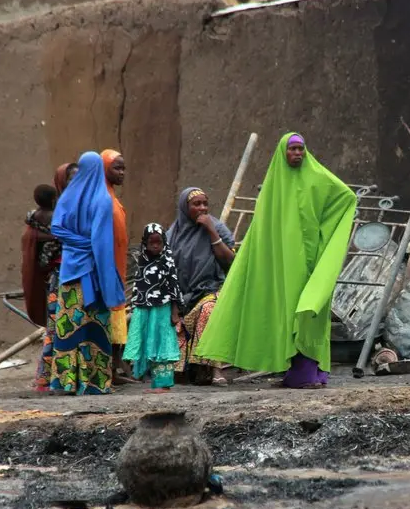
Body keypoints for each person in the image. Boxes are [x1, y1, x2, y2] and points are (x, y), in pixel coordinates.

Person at [194, 133, 356, 389]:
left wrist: (324, 235)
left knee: (308, 312)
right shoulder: (273, 185)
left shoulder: (317, 176)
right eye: (292, 149)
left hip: (311, 260)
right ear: (283, 152)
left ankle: (309, 374)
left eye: (301, 149)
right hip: (284, 263)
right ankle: (300, 373)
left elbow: (346, 197)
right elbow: (264, 227)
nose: (297, 154)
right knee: (286, 312)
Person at [48, 151, 125, 395]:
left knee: (69, 326)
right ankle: (95, 382)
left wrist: (76, 244)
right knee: (95, 328)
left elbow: (57, 228)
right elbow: (101, 245)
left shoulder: (68, 197)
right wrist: (109, 281)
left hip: (70, 274)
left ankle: (66, 381)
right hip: (92, 275)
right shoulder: (101, 199)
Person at [167, 187, 236, 386]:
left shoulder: (217, 228)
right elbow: (168, 272)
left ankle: (216, 369)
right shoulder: (173, 235)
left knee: (208, 310)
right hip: (182, 297)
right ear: (185, 207)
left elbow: (231, 263)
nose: (202, 208)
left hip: (211, 289)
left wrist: (211, 231)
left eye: (205, 203)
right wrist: (173, 305)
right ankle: (192, 370)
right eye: (196, 204)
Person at [123, 223, 183, 393]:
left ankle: (164, 384)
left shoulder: (167, 261)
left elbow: (174, 287)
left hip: (162, 309)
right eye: (152, 243)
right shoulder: (142, 261)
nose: (156, 246)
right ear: (145, 243)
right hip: (144, 309)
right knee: (147, 342)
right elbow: (138, 286)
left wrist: (175, 311)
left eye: (159, 243)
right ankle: (153, 382)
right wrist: (135, 307)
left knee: (162, 343)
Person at [33, 163, 77, 392]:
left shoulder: (74, 206)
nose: (76, 183)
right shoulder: (57, 211)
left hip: (75, 273)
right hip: (59, 276)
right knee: (57, 326)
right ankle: (49, 378)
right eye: (71, 179)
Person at [99, 149, 132, 383]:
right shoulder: (101, 199)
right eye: (116, 168)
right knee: (109, 318)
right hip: (107, 270)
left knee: (117, 319)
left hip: (117, 269)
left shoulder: (112, 197)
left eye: (123, 168)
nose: (122, 173)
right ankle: (108, 371)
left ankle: (114, 370)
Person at [21, 184, 58, 328]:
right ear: (54, 199)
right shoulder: (57, 218)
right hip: (56, 273)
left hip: (41, 272)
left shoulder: (32, 219)